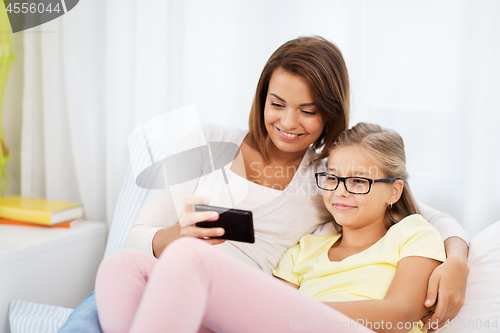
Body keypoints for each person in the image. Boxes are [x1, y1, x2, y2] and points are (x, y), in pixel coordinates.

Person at [123, 36, 469, 330]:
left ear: (329, 114)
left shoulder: (327, 180)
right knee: (120, 269)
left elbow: (422, 215)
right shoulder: (205, 141)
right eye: (277, 104)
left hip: (225, 307)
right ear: (262, 100)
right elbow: (138, 234)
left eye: (307, 110)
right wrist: (177, 236)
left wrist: (457, 260)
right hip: (162, 282)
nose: (288, 122)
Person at [95, 122, 446, 333]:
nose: (340, 191)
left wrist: (303, 316)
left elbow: (401, 314)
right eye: (333, 178)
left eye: (359, 182)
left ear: (393, 191)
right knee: (121, 267)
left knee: (190, 255)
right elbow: (267, 315)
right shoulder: (307, 247)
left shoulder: (414, 233)